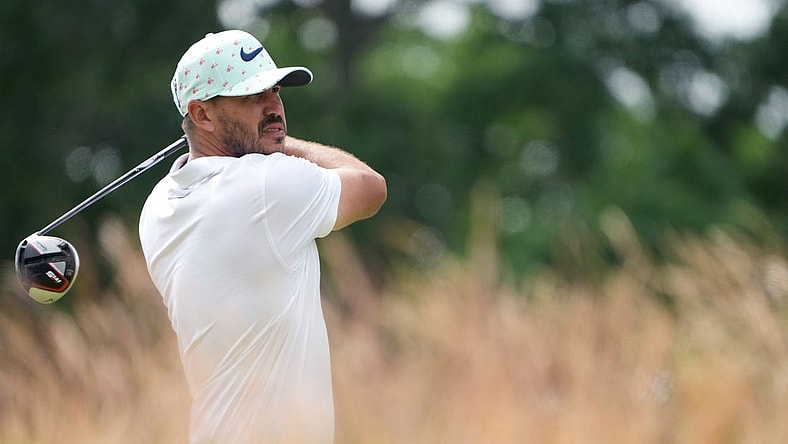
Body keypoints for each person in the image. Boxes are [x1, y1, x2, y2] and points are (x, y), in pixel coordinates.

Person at [138, 30, 386, 444]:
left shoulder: (159, 204)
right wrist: (282, 143)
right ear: (201, 115)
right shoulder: (265, 187)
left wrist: (254, 136)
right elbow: (370, 187)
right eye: (252, 97)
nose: (274, 108)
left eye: (275, 92)